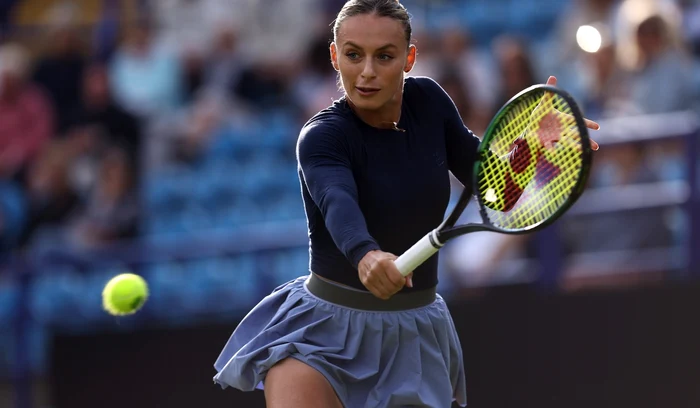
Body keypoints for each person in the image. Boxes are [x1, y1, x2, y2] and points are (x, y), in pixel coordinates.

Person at [213, 1, 600, 407]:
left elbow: (495, 189)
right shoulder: (321, 137)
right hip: (320, 335)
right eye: (353, 54)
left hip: (415, 338)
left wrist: (532, 149)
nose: (366, 71)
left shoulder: (431, 102)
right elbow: (336, 201)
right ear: (334, 56)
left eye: (384, 56)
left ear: (409, 57)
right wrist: (365, 255)